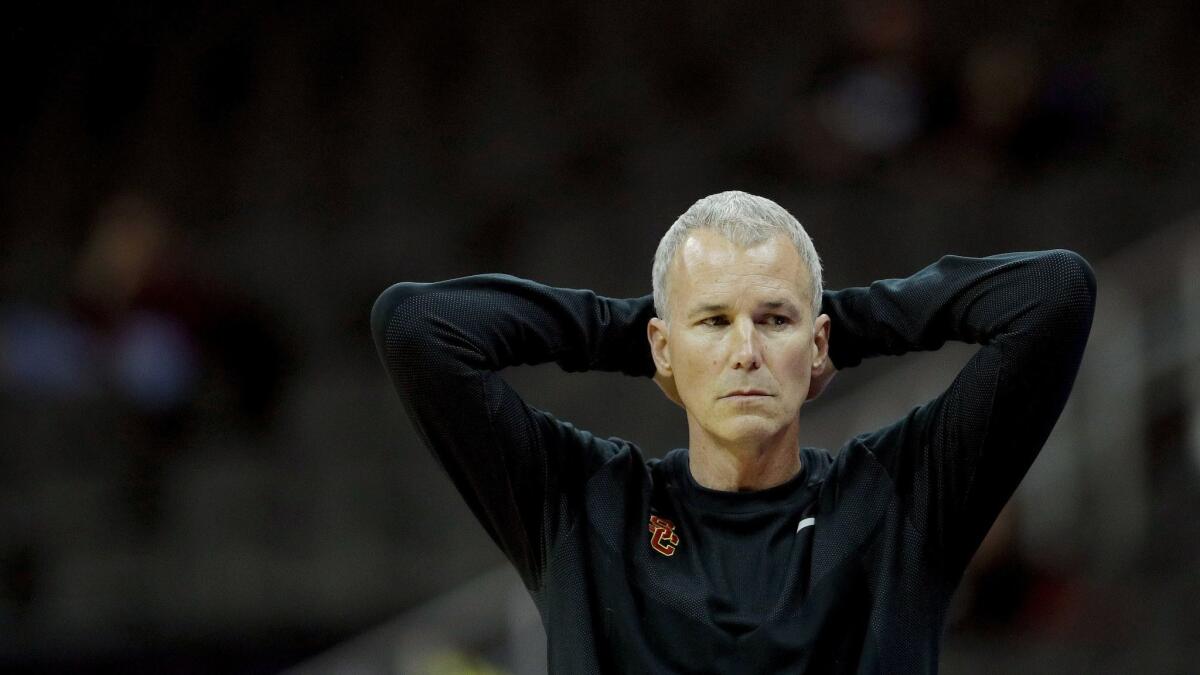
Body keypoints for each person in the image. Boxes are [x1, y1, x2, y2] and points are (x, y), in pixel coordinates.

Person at [370, 190, 1096, 673]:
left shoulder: (897, 501)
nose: (745, 349)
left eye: (774, 320)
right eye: (714, 321)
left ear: (816, 346)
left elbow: (1054, 293)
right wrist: (641, 335)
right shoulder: (584, 506)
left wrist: (841, 323)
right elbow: (416, 328)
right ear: (661, 346)